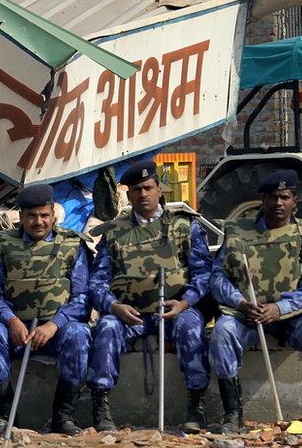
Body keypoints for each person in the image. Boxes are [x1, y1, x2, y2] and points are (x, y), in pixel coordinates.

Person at [86, 160, 214, 433]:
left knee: (192, 326)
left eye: (148, 187)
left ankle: (196, 407)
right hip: (129, 314)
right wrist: (114, 306)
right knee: (107, 328)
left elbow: (203, 274)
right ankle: (102, 407)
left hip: (174, 309)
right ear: (129, 195)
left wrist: (184, 302)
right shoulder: (115, 233)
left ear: (159, 190)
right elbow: (96, 282)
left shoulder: (184, 227)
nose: (143, 194)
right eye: (136, 190)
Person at [209, 169, 302, 433]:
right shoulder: (236, 233)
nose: (278, 203)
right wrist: (241, 303)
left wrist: (279, 309)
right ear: (263, 201)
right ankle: (233, 415)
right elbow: (217, 279)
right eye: (272, 198)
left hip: (293, 317)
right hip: (247, 315)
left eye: (284, 197)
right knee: (222, 332)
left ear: (294, 202)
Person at [0, 184, 93, 437]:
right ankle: (5, 418)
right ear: (21, 216)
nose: (38, 221)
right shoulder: (2, 246)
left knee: (79, 334)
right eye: (32, 216)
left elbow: (82, 298)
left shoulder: (72, 245)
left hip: (55, 332)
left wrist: (54, 325)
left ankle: (63, 417)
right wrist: (11, 322)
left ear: (53, 214)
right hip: (17, 332)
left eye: (44, 215)